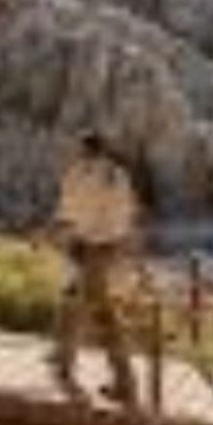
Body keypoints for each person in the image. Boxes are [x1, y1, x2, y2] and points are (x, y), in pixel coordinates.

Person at [48, 132, 144, 404]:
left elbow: (71, 210)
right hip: (108, 248)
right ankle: (64, 364)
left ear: (85, 149)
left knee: (98, 314)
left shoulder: (84, 174)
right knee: (73, 302)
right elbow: (126, 214)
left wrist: (63, 231)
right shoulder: (118, 175)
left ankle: (123, 381)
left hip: (90, 248)